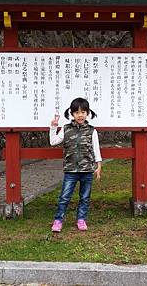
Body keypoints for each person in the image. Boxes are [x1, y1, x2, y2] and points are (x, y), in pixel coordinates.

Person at [49, 97, 102, 233]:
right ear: (72, 114)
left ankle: (81, 219)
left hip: (87, 171)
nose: (80, 115)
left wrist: (99, 165)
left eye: (83, 112)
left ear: (87, 113)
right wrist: (53, 126)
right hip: (70, 170)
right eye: (77, 112)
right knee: (64, 197)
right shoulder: (66, 129)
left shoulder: (91, 130)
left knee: (85, 197)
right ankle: (58, 220)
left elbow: (96, 149)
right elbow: (53, 142)